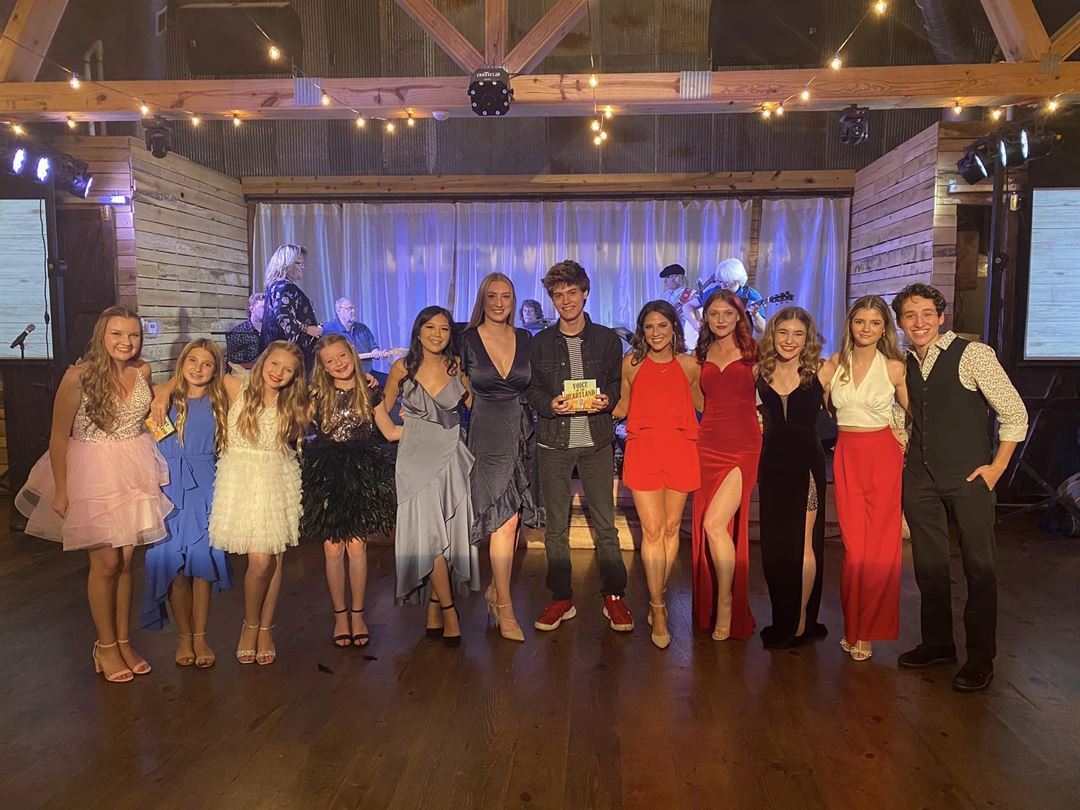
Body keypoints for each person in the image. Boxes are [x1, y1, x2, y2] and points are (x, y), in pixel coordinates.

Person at [16, 306, 172, 683]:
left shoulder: (142, 371)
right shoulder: (78, 376)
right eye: (117, 334)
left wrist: (165, 399)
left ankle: (123, 641)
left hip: (134, 468)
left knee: (126, 560)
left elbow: (150, 418)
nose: (126, 342)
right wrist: (62, 488)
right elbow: (58, 437)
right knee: (105, 562)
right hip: (92, 472)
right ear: (102, 335)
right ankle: (105, 646)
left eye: (133, 335)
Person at [892, 283, 1028, 692]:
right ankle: (938, 643)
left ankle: (980, 658)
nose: (919, 322)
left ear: (941, 316)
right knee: (929, 565)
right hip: (920, 479)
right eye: (910, 315)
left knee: (979, 567)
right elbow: (906, 417)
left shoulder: (973, 355)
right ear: (901, 323)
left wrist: (996, 468)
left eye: (926, 314)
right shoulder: (903, 363)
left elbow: (1014, 412)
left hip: (969, 478)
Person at [154, 341, 309, 665]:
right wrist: (163, 391)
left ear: (295, 376)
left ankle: (262, 628)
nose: (278, 373)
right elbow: (191, 374)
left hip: (276, 477)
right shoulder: (235, 386)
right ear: (263, 360)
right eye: (274, 364)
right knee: (259, 560)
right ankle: (249, 624)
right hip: (238, 478)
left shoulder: (294, 402)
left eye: (288, 370)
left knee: (271, 557)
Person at [527, 260, 632, 633]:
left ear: (585, 293)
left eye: (572, 292)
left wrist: (608, 399)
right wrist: (548, 404)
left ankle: (614, 596)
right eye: (558, 295)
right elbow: (532, 389)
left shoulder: (607, 340)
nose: (566, 300)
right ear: (552, 299)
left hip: (597, 442)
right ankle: (561, 598)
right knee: (556, 528)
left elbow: (616, 383)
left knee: (605, 525)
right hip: (554, 444)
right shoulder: (539, 343)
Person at [821, 295, 909, 663]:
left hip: (883, 456)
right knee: (855, 549)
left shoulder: (894, 368)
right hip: (847, 456)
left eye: (875, 322)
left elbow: (916, 414)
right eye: (860, 321)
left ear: (885, 328)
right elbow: (818, 405)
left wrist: (903, 433)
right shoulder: (834, 365)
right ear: (850, 325)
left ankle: (868, 631)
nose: (866, 328)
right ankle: (853, 626)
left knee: (880, 549)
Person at [383, 306, 477, 647]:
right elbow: (381, 406)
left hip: (452, 454)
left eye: (444, 329)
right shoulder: (401, 367)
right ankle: (450, 610)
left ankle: (435, 607)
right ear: (418, 331)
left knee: (450, 534)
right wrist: (393, 431)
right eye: (430, 327)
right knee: (430, 536)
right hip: (416, 460)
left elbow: (474, 405)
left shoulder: (455, 366)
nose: (437, 334)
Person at [302, 334, 401, 649]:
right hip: (327, 474)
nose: (338, 364)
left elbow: (389, 431)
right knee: (333, 548)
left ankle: (358, 614)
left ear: (353, 354)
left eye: (342, 356)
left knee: (357, 547)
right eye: (329, 361)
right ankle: (340, 616)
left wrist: (430, 427)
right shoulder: (317, 394)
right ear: (322, 367)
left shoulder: (369, 390)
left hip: (360, 473)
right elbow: (295, 426)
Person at [140, 339, 233, 668]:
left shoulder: (220, 399)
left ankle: (201, 637)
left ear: (216, 369)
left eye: (207, 364)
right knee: (175, 568)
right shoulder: (162, 397)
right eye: (192, 360)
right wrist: (166, 388)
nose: (198, 368)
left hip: (205, 485)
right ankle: (183, 636)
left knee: (201, 564)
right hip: (167, 486)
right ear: (181, 362)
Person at [613, 300, 701, 649]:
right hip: (644, 448)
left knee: (670, 528)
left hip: (681, 448)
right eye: (649, 326)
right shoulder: (631, 364)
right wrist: (588, 404)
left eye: (662, 325)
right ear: (642, 331)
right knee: (651, 530)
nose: (656, 333)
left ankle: (657, 592)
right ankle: (658, 607)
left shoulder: (690, 365)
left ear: (674, 328)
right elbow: (622, 405)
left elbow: (703, 404)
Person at [461, 273, 542, 643]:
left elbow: (537, 384)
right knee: (501, 519)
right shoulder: (466, 339)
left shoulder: (525, 338)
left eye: (505, 296)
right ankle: (505, 607)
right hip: (488, 433)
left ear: (513, 300)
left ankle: (497, 592)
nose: (498, 303)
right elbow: (455, 384)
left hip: (522, 431)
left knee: (512, 520)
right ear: (483, 299)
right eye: (491, 296)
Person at [755, 308, 830, 649]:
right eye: (783, 332)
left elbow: (846, 408)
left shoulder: (821, 370)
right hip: (771, 465)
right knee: (775, 546)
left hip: (806, 465)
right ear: (772, 334)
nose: (789, 340)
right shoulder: (760, 371)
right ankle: (782, 617)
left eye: (798, 333)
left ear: (807, 338)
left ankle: (800, 621)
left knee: (803, 543)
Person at [692, 289, 760, 641]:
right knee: (712, 526)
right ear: (706, 317)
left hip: (742, 447)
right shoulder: (701, 354)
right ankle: (717, 599)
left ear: (738, 316)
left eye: (727, 313)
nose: (720, 320)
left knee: (714, 524)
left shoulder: (754, 352)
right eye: (714, 313)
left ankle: (726, 603)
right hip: (707, 445)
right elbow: (697, 400)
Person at [260, 243, 322, 368]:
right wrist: (307, 329)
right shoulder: (285, 287)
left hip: (277, 353)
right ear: (287, 264)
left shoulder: (275, 286)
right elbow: (283, 317)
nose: (302, 267)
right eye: (299, 263)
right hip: (289, 355)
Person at [685, 258, 766, 337]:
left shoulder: (751, 295)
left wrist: (755, 315)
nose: (723, 286)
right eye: (721, 282)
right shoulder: (714, 292)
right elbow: (687, 306)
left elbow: (761, 329)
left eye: (727, 283)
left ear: (738, 280)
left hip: (741, 342)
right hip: (714, 342)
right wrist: (697, 326)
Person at [321, 297, 386, 384]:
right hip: (343, 377)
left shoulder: (363, 328)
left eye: (354, 308)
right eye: (349, 308)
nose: (353, 311)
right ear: (339, 311)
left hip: (367, 372)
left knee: (391, 381)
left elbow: (373, 348)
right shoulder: (328, 329)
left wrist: (378, 353)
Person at [659, 263, 698, 339]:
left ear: (677, 278)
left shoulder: (691, 294)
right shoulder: (665, 295)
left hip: (685, 333)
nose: (665, 282)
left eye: (668, 278)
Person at [226, 292, 265, 367]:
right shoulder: (239, 332)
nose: (266, 311)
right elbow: (232, 360)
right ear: (252, 308)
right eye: (262, 308)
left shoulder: (271, 331)